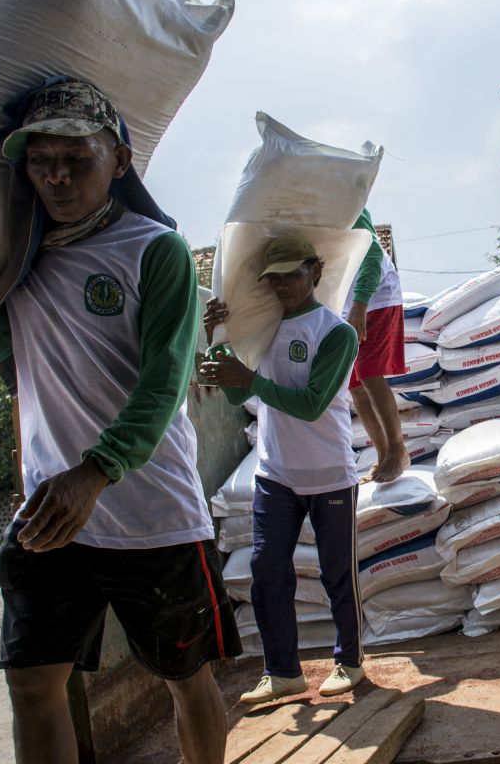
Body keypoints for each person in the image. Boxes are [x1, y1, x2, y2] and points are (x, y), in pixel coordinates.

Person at [0, 79, 240, 764]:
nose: (56, 175)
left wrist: (95, 472)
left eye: (76, 158)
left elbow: (166, 383)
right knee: (32, 682)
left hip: (152, 518)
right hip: (52, 517)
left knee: (186, 679)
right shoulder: (18, 262)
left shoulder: (154, 251)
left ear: (119, 159)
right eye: (39, 160)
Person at [199, 234, 365, 704]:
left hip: (329, 474)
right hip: (276, 474)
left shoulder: (336, 333)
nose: (283, 285)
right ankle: (283, 672)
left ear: (315, 271)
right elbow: (235, 394)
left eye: (292, 274)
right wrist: (220, 343)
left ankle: (349, 663)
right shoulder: (261, 327)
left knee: (337, 573)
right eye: (274, 277)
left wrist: (249, 379)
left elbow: (312, 404)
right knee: (266, 569)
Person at [345, 208, 410, 483]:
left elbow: (371, 255)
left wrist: (360, 304)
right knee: (355, 385)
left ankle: (398, 450)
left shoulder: (348, 204)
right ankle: (383, 454)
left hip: (376, 294)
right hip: (346, 302)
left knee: (370, 373)